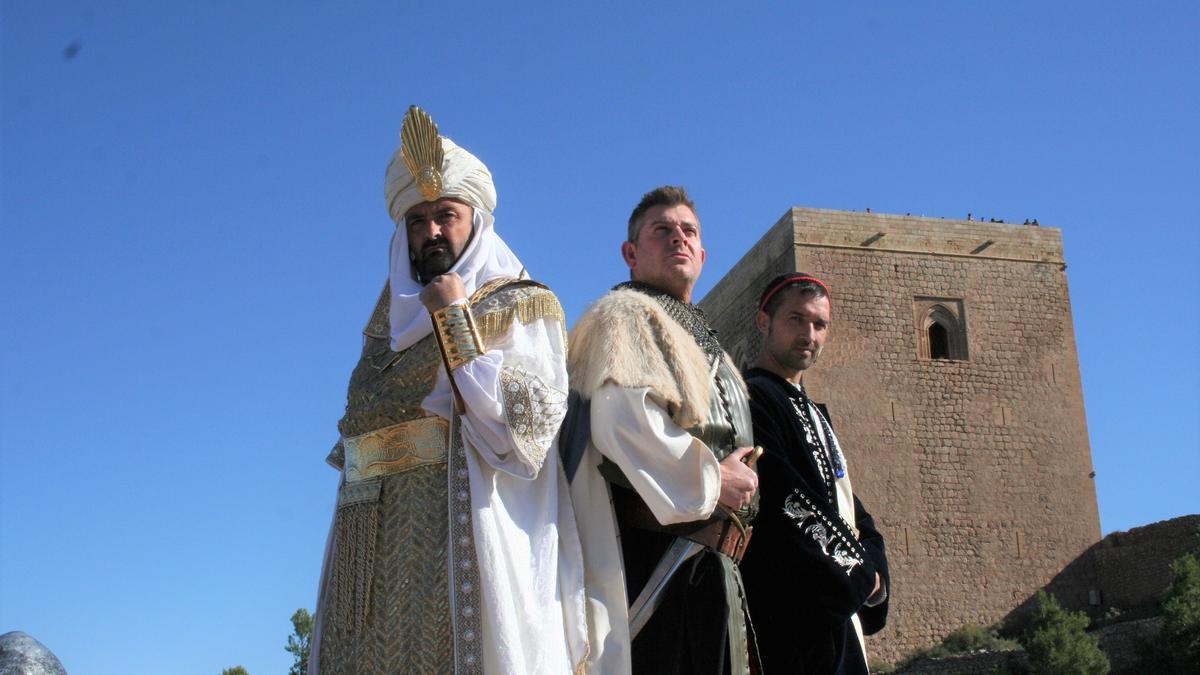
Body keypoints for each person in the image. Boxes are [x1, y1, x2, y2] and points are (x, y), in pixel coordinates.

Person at [309, 106, 587, 674]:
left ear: (477, 221)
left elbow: (521, 434)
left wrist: (455, 318)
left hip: (458, 536)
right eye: (417, 219)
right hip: (368, 549)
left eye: (446, 215)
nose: (431, 231)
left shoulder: (521, 305)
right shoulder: (380, 337)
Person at [563, 185, 760, 675]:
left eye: (688, 231)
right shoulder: (624, 313)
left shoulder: (700, 333)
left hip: (712, 567)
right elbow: (622, 422)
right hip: (659, 566)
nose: (679, 239)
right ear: (631, 253)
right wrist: (714, 481)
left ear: (703, 252)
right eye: (662, 231)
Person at [740, 274, 890, 674]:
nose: (808, 334)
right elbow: (786, 501)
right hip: (790, 624)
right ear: (763, 321)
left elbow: (855, 516)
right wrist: (860, 573)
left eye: (819, 324)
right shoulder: (753, 399)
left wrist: (874, 572)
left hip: (838, 617)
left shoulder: (815, 414)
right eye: (796, 319)